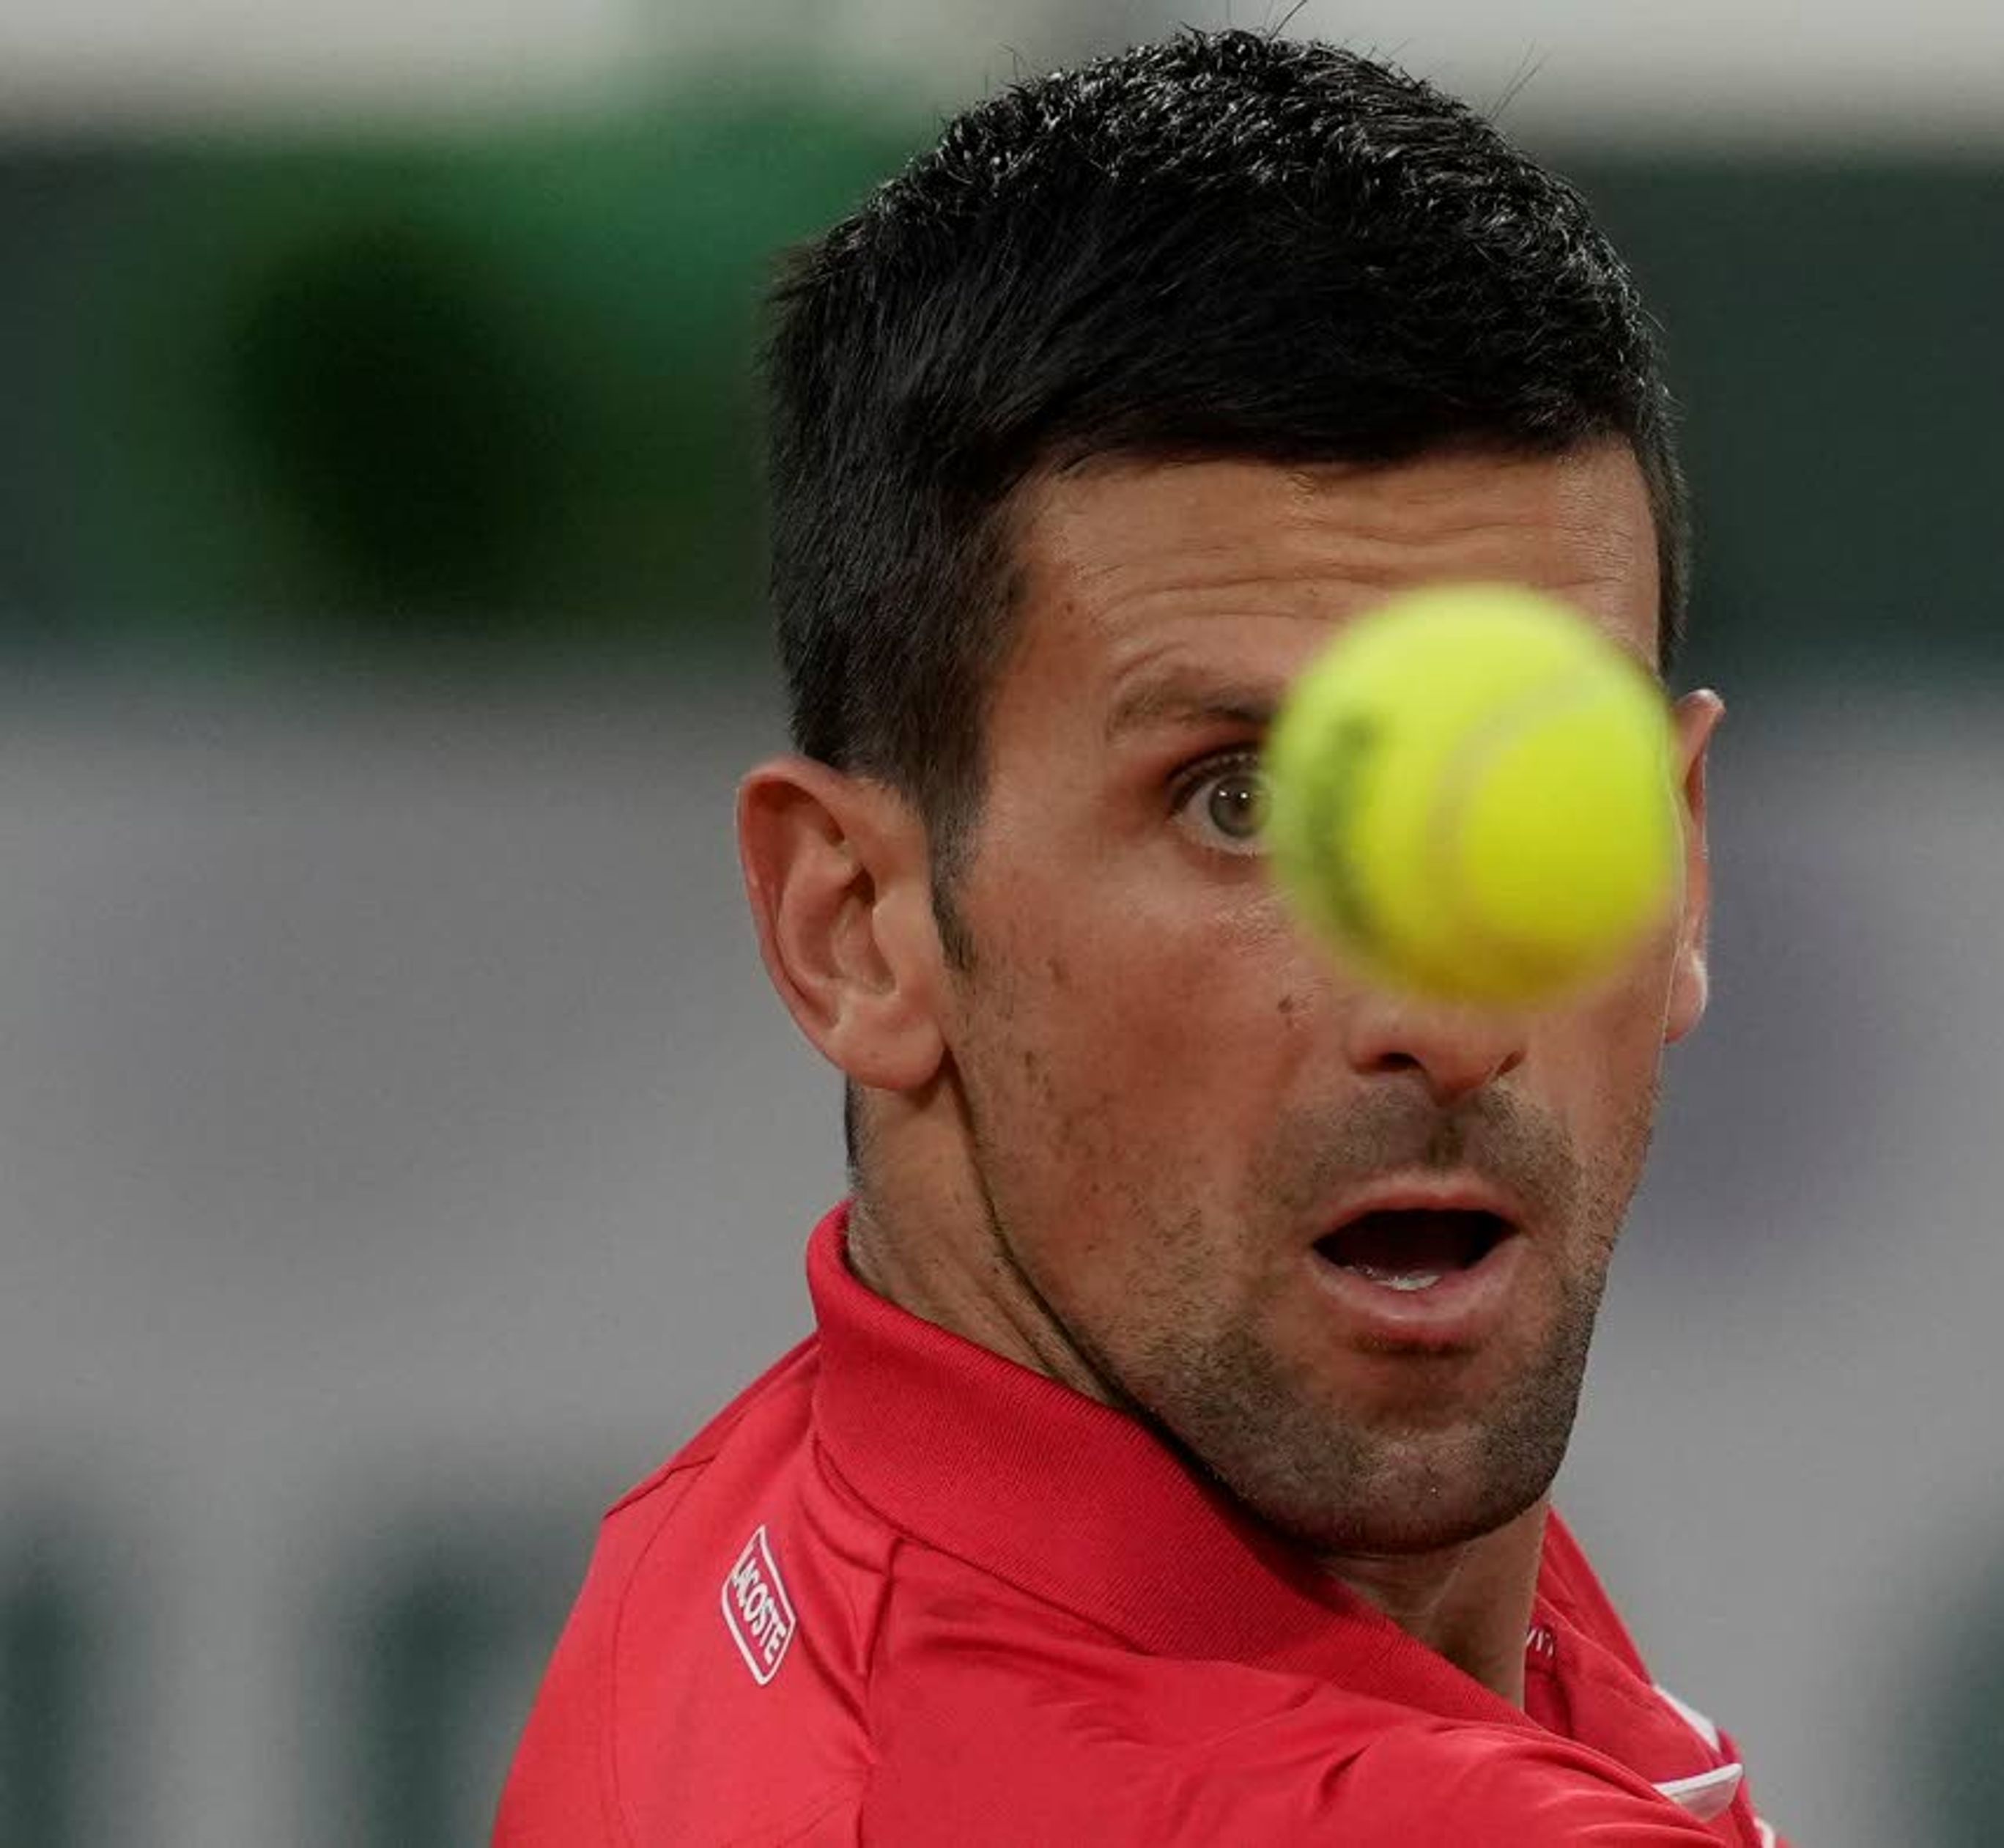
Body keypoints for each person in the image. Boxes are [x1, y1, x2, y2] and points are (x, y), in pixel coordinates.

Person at [497, 29, 1775, 1844]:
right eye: (1235, 800)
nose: (1439, 1004)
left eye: (1532, 800)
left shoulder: (758, 1529)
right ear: (855, 924)